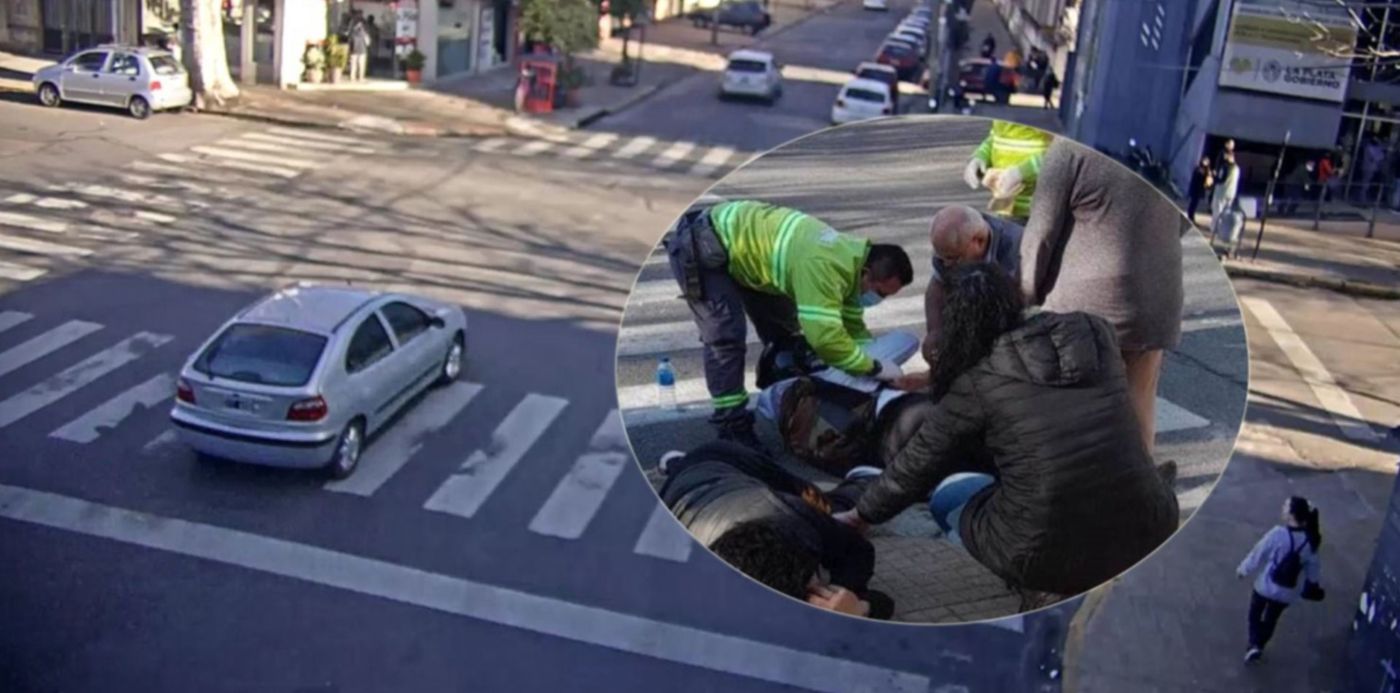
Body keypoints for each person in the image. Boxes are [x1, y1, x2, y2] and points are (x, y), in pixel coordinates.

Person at [833, 263, 1180, 600]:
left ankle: (1041, 588)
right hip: (1149, 527)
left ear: (958, 325)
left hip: (1041, 555)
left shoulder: (976, 381)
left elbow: (916, 465)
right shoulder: (1093, 331)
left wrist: (861, 514)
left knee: (948, 496)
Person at [665, 199, 915, 451]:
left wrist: (874, 360)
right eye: (880, 293)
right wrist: (872, 367)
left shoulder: (851, 261)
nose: (879, 300)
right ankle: (732, 426)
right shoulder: (824, 266)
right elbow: (825, 339)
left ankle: (788, 408)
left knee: (783, 336)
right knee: (725, 337)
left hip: (750, 255)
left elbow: (851, 326)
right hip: (705, 244)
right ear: (866, 273)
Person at [1019, 137, 1185, 458]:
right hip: (1156, 308)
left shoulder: (1070, 150)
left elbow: (1039, 234)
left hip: (1083, 309)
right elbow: (1182, 223)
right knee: (1139, 401)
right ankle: (1139, 493)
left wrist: (1026, 293)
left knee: (1067, 406)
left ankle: (1070, 488)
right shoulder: (1167, 150)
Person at [656, 440, 894, 619]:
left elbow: (858, 551)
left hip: (729, 460)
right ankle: (679, 464)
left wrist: (844, 599)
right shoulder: (689, 591)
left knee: (832, 510)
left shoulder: (792, 516)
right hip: (693, 492)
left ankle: (863, 480)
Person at [920, 204, 1023, 371]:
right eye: (942, 258)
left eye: (953, 258)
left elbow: (1024, 303)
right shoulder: (949, 246)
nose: (946, 264)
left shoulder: (1018, 248)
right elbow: (937, 286)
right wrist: (935, 330)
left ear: (978, 241)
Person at [1237, 496, 1324, 663]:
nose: (1282, 508)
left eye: (1286, 506)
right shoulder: (1310, 542)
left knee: (1254, 614)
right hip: (1286, 592)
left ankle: (1254, 643)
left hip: (1265, 586)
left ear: (1292, 515)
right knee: (1271, 619)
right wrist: (1313, 585)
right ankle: (1259, 645)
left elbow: (1258, 553)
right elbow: (1313, 568)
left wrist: (1243, 569)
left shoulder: (1278, 534)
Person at [964, 120, 1053, 223]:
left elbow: (1060, 153)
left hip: (1041, 209)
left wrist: (1022, 172)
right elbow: (995, 138)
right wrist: (980, 157)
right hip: (1007, 204)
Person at [1211, 150, 1241, 248]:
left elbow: (1221, 180)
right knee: (1226, 213)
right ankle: (1224, 231)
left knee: (1217, 212)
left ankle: (1215, 231)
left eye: (1226, 156)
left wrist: (1214, 177)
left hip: (1221, 193)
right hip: (1231, 194)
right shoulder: (1237, 168)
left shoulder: (1225, 167)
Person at [1187, 156, 1214, 224]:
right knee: (1193, 203)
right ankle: (1190, 216)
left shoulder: (1206, 170)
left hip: (1199, 190)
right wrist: (1207, 175)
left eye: (1207, 161)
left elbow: (1207, 181)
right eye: (1205, 161)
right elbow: (1200, 177)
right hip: (1196, 189)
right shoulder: (1198, 169)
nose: (1206, 163)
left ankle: (1191, 216)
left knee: (1195, 203)